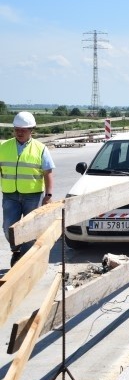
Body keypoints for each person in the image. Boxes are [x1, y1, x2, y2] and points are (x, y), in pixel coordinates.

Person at [0, 112, 55, 266]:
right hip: (10, 195)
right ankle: (16, 251)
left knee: (31, 229)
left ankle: (25, 259)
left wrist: (48, 194)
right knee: (8, 227)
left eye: (23, 129)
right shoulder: (4, 147)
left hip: (33, 195)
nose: (19, 132)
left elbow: (48, 173)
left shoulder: (41, 149)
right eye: (17, 129)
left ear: (32, 130)